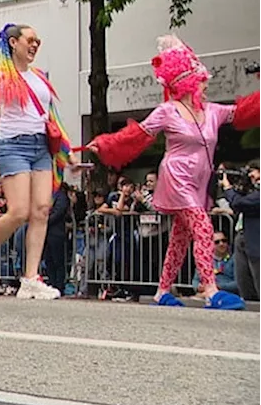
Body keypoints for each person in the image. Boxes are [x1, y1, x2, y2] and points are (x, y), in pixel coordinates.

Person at [85, 35, 257, 310]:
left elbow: (243, 112)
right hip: (177, 178)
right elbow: (137, 134)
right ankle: (211, 291)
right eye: (202, 80)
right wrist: (105, 144)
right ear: (187, 82)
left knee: (180, 237)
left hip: (200, 180)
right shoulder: (168, 111)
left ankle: (162, 291)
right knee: (202, 227)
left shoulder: (213, 112)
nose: (206, 83)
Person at [0, 23, 76, 300]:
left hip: (41, 146)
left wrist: (68, 152)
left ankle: (31, 278)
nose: (34, 45)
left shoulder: (40, 77)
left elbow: (52, 117)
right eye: (30, 40)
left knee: (42, 209)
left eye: (38, 41)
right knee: (19, 211)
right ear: (13, 42)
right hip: (11, 145)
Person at [223, 164, 260, 300]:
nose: (251, 176)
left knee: (257, 282)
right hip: (244, 237)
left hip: (256, 242)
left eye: (253, 171)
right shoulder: (252, 189)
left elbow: (239, 203)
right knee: (244, 282)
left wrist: (228, 188)